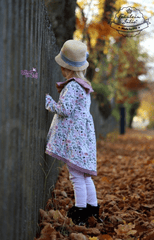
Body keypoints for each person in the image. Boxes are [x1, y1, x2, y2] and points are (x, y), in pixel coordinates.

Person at [45, 39, 103, 226]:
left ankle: (80, 212)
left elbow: (65, 109)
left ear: (65, 68)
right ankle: (92, 209)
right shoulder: (84, 87)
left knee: (76, 176)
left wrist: (49, 103)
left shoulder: (72, 86)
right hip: (83, 138)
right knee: (85, 176)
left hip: (75, 140)